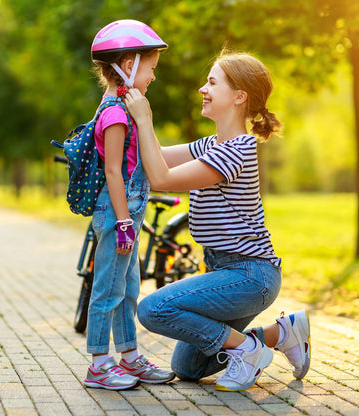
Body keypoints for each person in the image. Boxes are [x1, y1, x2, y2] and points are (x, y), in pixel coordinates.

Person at [124, 49, 311, 391]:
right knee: (188, 366)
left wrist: (144, 119)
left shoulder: (237, 149)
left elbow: (161, 178)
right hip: (225, 271)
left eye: (212, 82)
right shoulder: (211, 144)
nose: (202, 89)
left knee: (153, 309)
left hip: (250, 275)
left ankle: (249, 351)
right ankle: (280, 333)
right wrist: (117, 120)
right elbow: (154, 156)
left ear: (239, 96)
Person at [84, 19, 175, 390]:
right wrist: (123, 222)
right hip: (117, 213)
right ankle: (98, 363)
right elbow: (113, 172)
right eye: (151, 68)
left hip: (129, 212)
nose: (153, 76)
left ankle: (130, 356)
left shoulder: (125, 106)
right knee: (107, 289)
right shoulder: (116, 113)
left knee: (128, 288)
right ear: (129, 64)